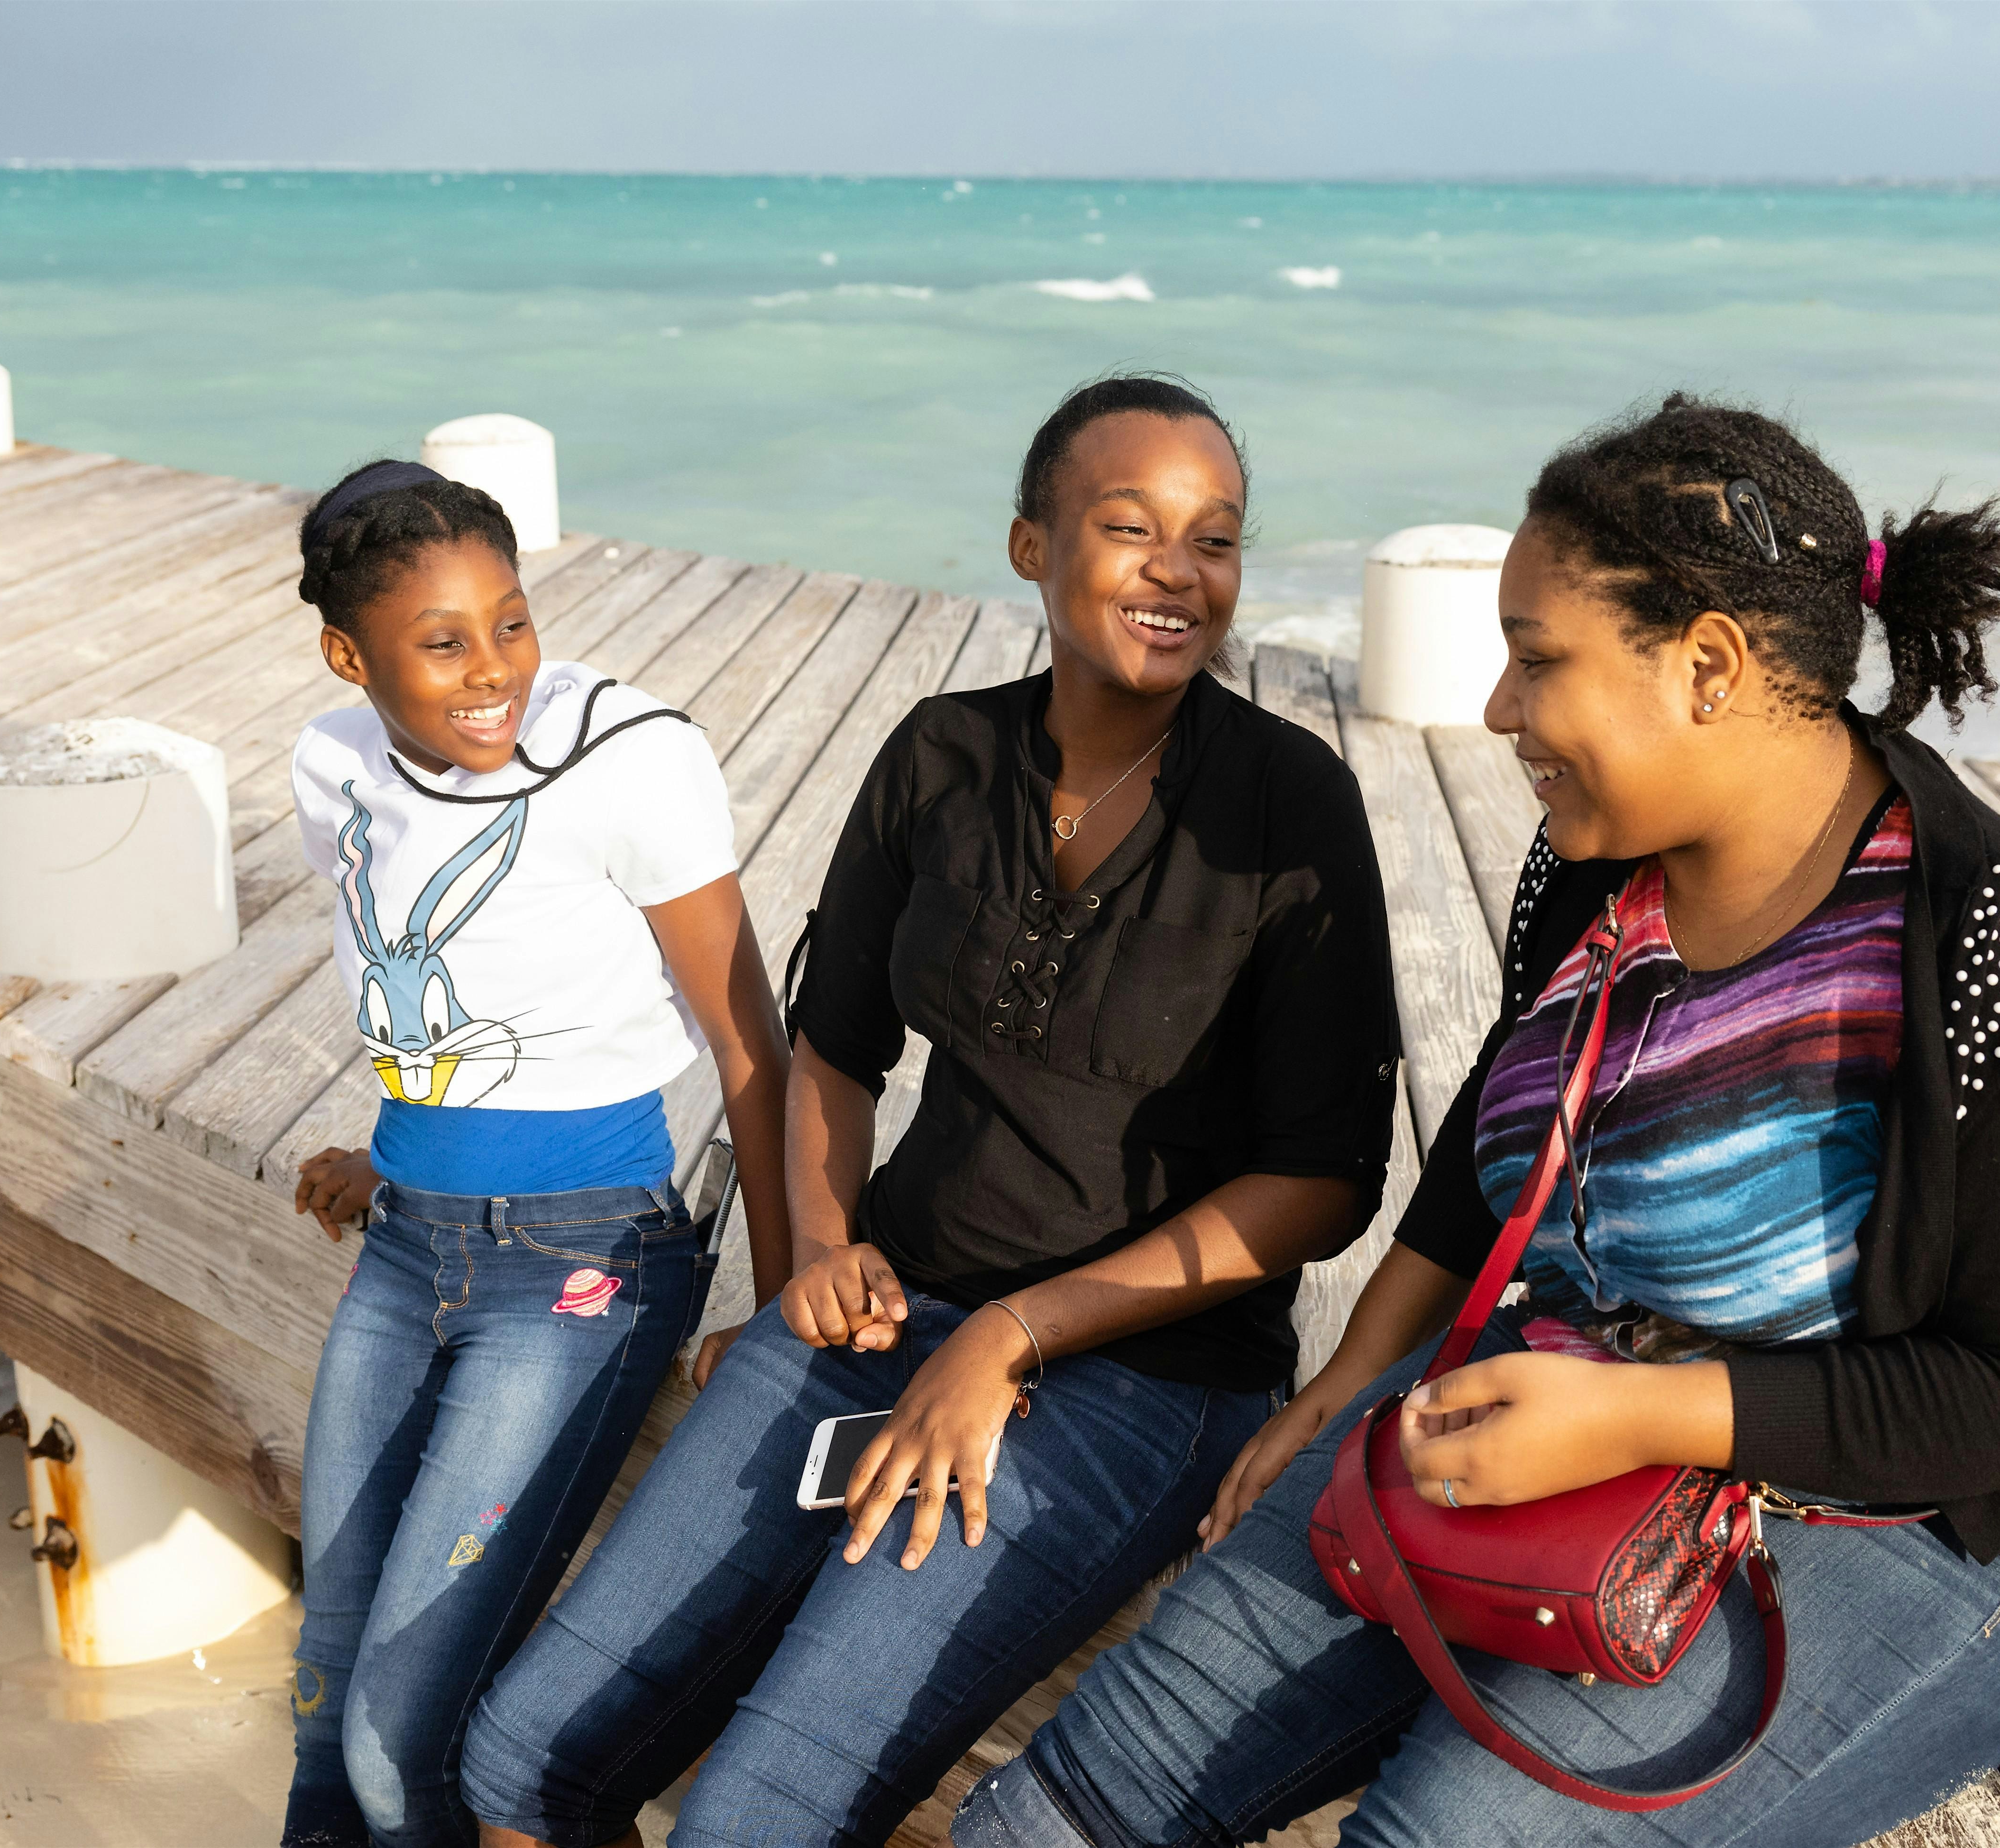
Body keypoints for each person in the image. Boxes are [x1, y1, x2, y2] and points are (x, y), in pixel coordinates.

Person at [951, 393, 2000, 1848]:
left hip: (1922, 1522)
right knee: (1071, 1806)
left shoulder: (1994, 944)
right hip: (1573, 1409)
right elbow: (1508, 1116)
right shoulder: (1598, 869)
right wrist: (1353, 1377)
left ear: (1709, 665)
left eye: (1539, 661)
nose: (1499, 711)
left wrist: (1643, 1412)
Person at [457, 375, 1404, 1848]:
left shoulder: (1290, 807)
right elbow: (835, 1053)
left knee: (751, 1823)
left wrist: (1014, 1335)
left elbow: (1326, 1180)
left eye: (1215, 539)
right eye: (1129, 526)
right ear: (1032, 545)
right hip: (891, 1304)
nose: (1180, 569)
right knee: (520, 1758)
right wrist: (818, 1252)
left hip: (1146, 1371)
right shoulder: (940, 755)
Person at [278, 461, 792, 1848]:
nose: (495, 667)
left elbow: (754, 1045)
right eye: (443, 642)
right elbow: (441, 991)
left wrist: (789, 1308)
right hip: (404, 1247)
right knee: (328, 1698)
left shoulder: (632, 760)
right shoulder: (331, 767)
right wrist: (395, 1150)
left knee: (399, 1746)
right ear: (350, 653)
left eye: (513, 620)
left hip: (584, 1264)